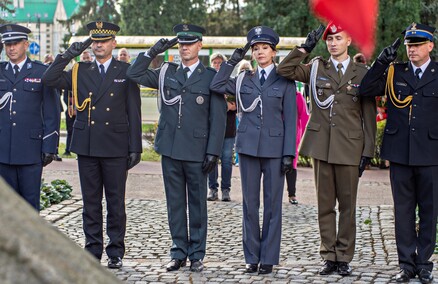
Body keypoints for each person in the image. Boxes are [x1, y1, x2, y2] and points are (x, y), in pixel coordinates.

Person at [277, 22, 376, 276]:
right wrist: (304, 48)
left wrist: (367, 151)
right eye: (329, 39)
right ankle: (328, 255)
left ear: (348, 40)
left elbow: (368, 114)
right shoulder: (316, 67)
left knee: (348, 206)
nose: (332, 43)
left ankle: (344, 256)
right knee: (324, 206)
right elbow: (284, 70)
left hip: (350, 147)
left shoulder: (362, 73)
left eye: (338, 38)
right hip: (322, 146)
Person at [42, 21, 142, 269]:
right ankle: (93, 249)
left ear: (113, 43)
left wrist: (135, 147)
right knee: (91, 202)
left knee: (116, 202)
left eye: (104, 41)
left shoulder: (125, 71)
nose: (99, 45)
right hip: (87, 145)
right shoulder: (79, 70)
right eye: (95, 41)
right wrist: (67, 55)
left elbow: (134, 111)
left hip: (115, 145)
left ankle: (116, 251)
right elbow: (49, 79)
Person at [126, 24, 226, 273]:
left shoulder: (210, 77)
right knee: (175, 203)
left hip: (197, 150)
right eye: (181, 44)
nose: (185, 48)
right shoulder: (165, 72)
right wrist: (151, 52)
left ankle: (197, 254)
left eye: (190, 43)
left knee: (197, 203)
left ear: (200, 45)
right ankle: (178, 251)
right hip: (170, 148)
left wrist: (213, 151)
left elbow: (218, 117)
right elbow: (134, 74)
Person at [210, 26, 296, 275]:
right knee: (250, 205)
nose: (260, 52)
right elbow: (217, 84)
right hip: (248, 148)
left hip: (275, 150)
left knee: (272, 206)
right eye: (255, 48)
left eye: (264, 48)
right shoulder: (243, 80)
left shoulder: (284, 80)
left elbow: (290, 119)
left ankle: (267, 258)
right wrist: (234, 59)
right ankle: (251, 256)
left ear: (274, 52)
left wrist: (289, 153)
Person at [359, 22, 438, 284]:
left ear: (430, 46)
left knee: (429, 210)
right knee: (403, 211)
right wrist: (381, 63)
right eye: (408, 45)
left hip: (430, 153)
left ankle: (425, 263)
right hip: (401, 153)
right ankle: (406, 264)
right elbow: (365, 89)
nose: (412, 49)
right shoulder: (395, 72)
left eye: (417, 45)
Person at [0, 24, 60, 210]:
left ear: (26, 45)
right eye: (7, 44)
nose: (11, 48)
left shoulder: (41, 72)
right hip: (2, 149)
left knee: (30, 204)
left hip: (31, 150)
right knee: (5, 207)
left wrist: (50, 145)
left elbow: (52, 111)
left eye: (16, 43)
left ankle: (30, 240)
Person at [207, 53, 236, 202]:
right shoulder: (209, 82)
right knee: (211, 159)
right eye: (215, 63)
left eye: (220, 63)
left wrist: (224, 106)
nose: (217, 65)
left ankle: (226, 190)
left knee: (226, 160)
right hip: (212, 129)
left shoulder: (230, 83)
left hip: (228, 129)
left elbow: (235, 105)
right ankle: (212, 189)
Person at [285, 91, 309, 204]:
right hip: (276, 135)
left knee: (291, 164)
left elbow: (304, 116)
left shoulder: (297, 95)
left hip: (293, 135)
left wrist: (302, 136)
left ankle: (292, 194)